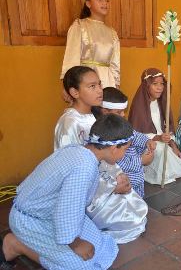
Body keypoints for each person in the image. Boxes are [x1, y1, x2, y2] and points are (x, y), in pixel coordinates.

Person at [1, 114, 133, 269]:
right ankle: (15, 245)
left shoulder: (80, 150)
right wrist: (75, 244)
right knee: (81, 265)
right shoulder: (84, 168)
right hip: (30, 220)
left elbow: (69, 203)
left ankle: (61, 241)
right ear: (113, 148)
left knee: (101, 245)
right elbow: (68, 209)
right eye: (125, 149)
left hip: (50, 213)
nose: (125, 153)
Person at [54, 67, 148, 244]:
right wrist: (110, 187)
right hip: (86, 189)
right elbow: (71, 170)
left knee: (135, 208)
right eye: (91, 86)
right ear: (74, 92)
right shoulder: (69, 123)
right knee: (130, 221)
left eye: (99, 84)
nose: (99, 90)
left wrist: (118, 175)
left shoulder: (92, 117)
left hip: (103, 177)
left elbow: (105, 155)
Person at [128, 68, 181, 185]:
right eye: (155, 84)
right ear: (146, 85)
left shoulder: (163, 103)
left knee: (175, 157)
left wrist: (173, 145)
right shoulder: (139, 106)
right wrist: (158, 138)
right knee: (160, 150)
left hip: (163, 141)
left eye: (161, 84)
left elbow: (168, 128)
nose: (159, 87)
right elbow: (137, 134)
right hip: (147, 143)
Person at [97, 87, 157, 198]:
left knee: (138, 202)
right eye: (119, 112)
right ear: (105, 112)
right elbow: (118, 162)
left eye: (123, 112)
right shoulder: (106, 136)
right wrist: (141, 160)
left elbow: (135, 135)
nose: (123, 115)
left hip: (136, 182)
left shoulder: (121, 125)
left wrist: (147, 141)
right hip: (123, 186)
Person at [61, 0, 120, 89]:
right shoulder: (79, 25)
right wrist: (68, 86)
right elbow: (71, 57)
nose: (104, 3)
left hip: (107, 82)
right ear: (88, 4)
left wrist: (116, 84)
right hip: (85, 81)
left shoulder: (112, 32)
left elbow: (115, 63)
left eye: (107, 0)